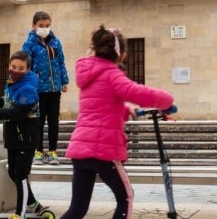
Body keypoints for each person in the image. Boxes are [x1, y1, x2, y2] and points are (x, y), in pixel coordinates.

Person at [60, 25, 174, 219]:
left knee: (77, 208)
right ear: (121, 56)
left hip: (80, 151)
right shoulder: (112, 75)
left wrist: (125, 110)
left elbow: (100, 107)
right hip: (103, 152)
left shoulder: (89, 77)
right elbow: (139, 92)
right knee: (126, 198)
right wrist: (167, 102)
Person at [0, 50, 46, 219]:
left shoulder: (29, 87)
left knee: (21, 174)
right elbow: (7, 99)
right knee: (13, 172)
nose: (16, 70)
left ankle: (21, 212)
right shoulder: (12, 81)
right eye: (13, 66)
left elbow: (19, 112)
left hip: (26, 136)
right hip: (13, 135)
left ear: (28, 69)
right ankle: (34, 205)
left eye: (21, 68)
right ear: (9, 65)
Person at [23, 11, 69, 166]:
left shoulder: (56, 42)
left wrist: (64, 81)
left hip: (54, 89)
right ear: (34, 26)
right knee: (38, 122)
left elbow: (61, 63)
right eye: (41, 26)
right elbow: (25, 65)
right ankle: (38, 152)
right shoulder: (29, 44)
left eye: (47, 25)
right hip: (38, 90)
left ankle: (53, 153)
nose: (44, 28)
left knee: (53, 122)